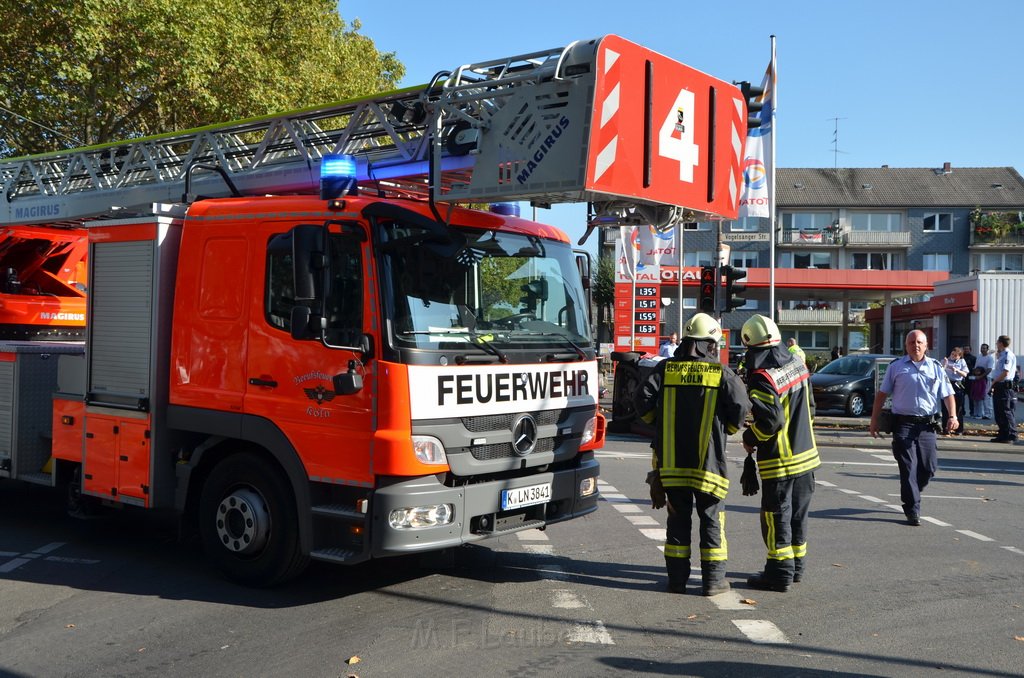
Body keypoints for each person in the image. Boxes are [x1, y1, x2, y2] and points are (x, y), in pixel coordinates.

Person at [636, 313, 749, 596]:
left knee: (677, 521)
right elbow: (740, 408)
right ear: (710, 344)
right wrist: (728, 429)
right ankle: (713, 582)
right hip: (708, 464)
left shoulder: (665, 369)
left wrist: (658, 423)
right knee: (712, 519)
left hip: (671, 465)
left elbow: (641, 401)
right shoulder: (722, 372)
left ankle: (676, 581)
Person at [740, 315, 820, 593]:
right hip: (807, 457)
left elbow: (771, 422)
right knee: (798, 515)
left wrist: (750, 437)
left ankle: (779, 572)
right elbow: (810, 407)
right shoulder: (799, 365)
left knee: (776, 517)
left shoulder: (762, 378)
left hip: (780, 461)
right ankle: (797, 568)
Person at [869, 330, 956, 526]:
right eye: (911, 342)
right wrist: (873, 421)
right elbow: (881, 396)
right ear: (906, 346)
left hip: (927, 425)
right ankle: (912, 509)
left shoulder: (935, 368)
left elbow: (948, 394)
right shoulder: (896, 367)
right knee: (908, 468)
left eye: (919, 342)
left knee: (928, 468)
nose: (915, 345)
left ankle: (914, 490)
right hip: (903, 424)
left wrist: (953, 416)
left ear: (926, 346)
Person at [988, 335, 1018, 443]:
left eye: (997, 342)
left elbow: (1005, 372)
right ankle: (1003, 433)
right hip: (999, 385)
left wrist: (994, 381)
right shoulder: (1001, 355)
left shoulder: (1008, 355)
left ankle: (1011, 434)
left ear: (1001, 343)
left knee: (1005, 411)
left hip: (1004, 386)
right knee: (999, 411)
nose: (996, 344)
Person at [941, 347, 968, 435]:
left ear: (959, 356)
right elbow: (940, 372)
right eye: (952, 354)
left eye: (955, 355)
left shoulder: (962, 362)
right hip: (948, 384)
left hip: (957, 385)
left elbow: (965, 374)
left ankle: (959, 429)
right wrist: (945, 365)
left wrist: (957, 370)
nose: (953, 356)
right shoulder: (945, 360)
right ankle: (945, 428)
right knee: (945, 407)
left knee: (959, 407)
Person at [975, 343, 995, 419]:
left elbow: (989, 369)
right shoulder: (979, 356)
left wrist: (981, 376)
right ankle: (981, 413)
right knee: (979, 395)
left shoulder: (990, 358)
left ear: (987, 349)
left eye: (984, 348)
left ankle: (988, 414)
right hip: (978, 379)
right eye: (982, 348)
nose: (982, 349)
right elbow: (976, 367)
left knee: (986, 396)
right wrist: (976, 376)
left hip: (987, 378)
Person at [962, 345, 978, 416]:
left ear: (970, 350)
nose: (966, 350)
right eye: (965, 349)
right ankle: (962, 412)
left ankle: (972, 412)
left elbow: (976, 369)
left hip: (970, 380)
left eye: (967, 349)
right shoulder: (961, 358)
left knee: (971, 397)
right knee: (961, 397)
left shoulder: (974, 358)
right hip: (962, 380)